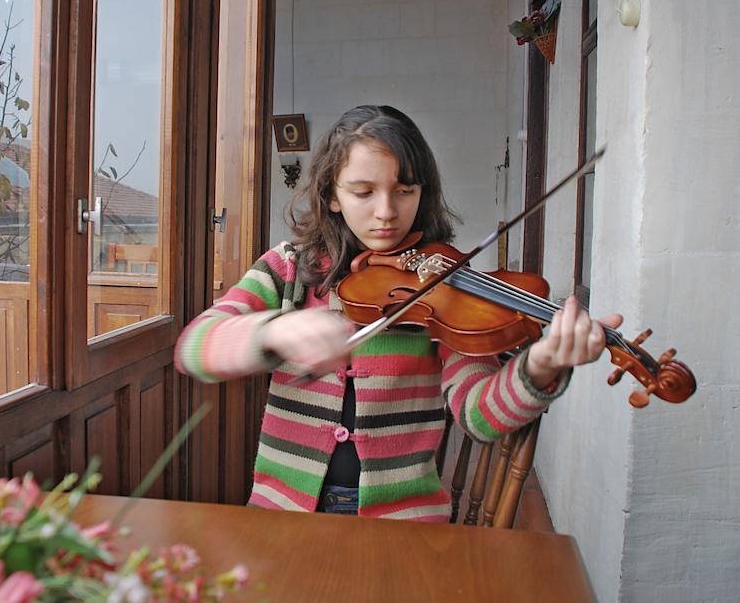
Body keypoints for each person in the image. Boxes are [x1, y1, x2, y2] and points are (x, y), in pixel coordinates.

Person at [174, 105, 621, 520]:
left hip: (403, 522)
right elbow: (195, 348)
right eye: (363, 192)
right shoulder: (288, 270)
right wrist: (274, 331)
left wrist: (541, 366)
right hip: (284, 513)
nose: (386, 213)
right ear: (332, 195)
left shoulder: (442, 288)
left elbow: (480, 416)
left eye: (404, 191)